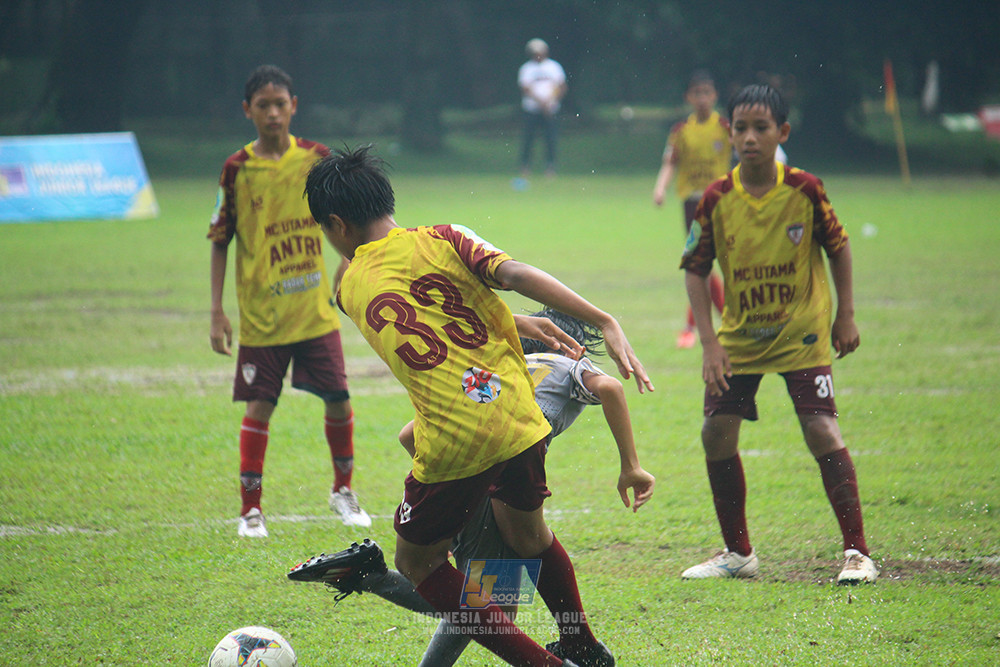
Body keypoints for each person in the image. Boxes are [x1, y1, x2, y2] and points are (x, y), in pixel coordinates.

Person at [303, 145, 655, 666]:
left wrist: (514, 322)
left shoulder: (349, 286)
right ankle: (580, 641)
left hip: (455, 437)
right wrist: (601, 319)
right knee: (531, 537)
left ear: (336, 225)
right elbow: (511, 276)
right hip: (520, 416)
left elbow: (423, 318)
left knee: (419, 563)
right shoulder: (444, 237)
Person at [289, 309, 656, 667]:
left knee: (476, 595)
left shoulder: (502, 369)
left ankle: (369, 575)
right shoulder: (567, 364)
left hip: (453, 469)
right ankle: (371, 576)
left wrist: (452, 501)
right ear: (573, 346)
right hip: (499, 468)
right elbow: (610, 386)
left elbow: (408, 436)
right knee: (487, 600)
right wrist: (631, 466)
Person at [679, 84, 877, 585]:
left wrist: (846, 314)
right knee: (715, 433)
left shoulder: (805, 189)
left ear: (782, 132)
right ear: (729, 133)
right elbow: (695, 269)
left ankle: (857, 553)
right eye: (741, 128)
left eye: (761, 128)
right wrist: (709, 343)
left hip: (802, 335)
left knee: (820, 429)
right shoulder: (716, 198)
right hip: (740, 339)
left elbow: (839, 247)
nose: (750, 138)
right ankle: (738, 553)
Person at [207, 65, 370, 537]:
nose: (273, 114)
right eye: (264, 106)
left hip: (314, 312)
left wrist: (348, 262)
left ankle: (343, 490)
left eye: (281, 104)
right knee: (259, 406)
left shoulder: (317, 159)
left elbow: (349, 219)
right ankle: (250, 510)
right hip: (262, 318)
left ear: (294, 106)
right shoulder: (237, 169)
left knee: (338, 398)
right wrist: (216, 311)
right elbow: (220, 239)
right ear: (248, 110)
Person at [652, 70, 730, 349]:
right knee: (701, 262)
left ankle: (699, 325)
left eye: (707, 93)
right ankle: (723, 321)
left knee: (709, 263)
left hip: (721, 202)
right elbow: (670, 162)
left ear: (715, 95)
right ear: (688, 97)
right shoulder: (681, 131)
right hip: (693, 205)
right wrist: (660, 188)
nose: (702, 98)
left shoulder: (725, 127)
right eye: (697, 93)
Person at [518, 38, 568, 176]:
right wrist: (541, 102)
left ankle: (550, 167)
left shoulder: (554, 67)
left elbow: (561, 86)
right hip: (531, 109)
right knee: (528, 138)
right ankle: (525, 166)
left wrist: (550, 100)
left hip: (551, 109)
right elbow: (525, 88)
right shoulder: (526, 68)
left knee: (550, 139)